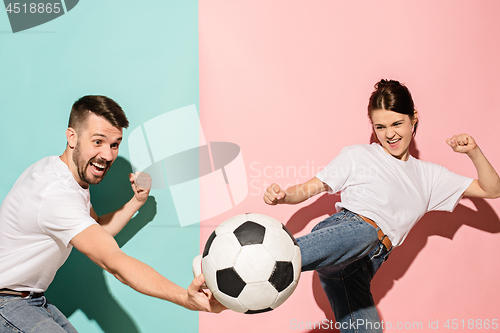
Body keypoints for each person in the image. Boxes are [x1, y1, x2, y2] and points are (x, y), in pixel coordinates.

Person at [263, 79, 500, 333]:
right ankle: (261, 263)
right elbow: (312, 187)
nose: (389, 134)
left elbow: (492, 189)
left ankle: (260, 272)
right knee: (365, 232)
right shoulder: (359, 155)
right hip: (345, 233)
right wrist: (284, 195)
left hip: (363, 267)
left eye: (397, 123)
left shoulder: (430, 177)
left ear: (413, 119)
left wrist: (473, 151)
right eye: (380, 127)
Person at [0, 95, 224, 333]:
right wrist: (184, 298)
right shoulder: (55, 194)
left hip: (31, 299)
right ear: (72, 137)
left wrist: (135, 202)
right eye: (98, 141)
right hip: (7, 302)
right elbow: (114, 262)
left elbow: (98, 230)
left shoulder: (62, 174)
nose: (107, 155)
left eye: (114, 144)